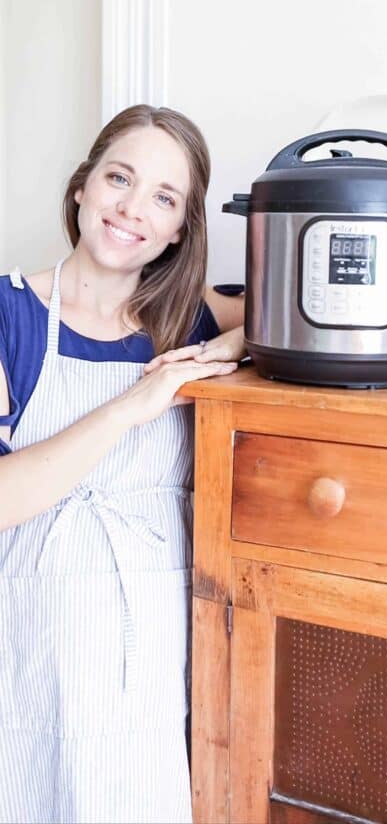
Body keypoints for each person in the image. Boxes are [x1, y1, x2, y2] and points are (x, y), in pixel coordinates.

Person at [0, 104, 245, 824]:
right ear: (82, 187)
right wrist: (132, 406)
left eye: (164, 198)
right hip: (30, 636)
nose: (132, 209)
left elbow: (291, 305)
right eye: (119, 178)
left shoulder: (186, 320)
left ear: (179, 231)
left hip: (154, 650)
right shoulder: (10, 312)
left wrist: (227, 347)